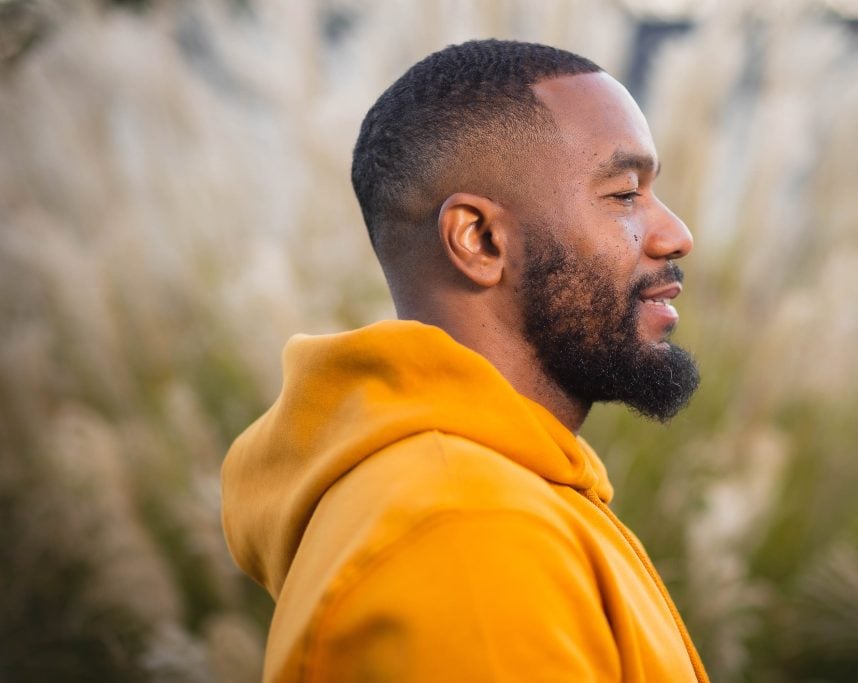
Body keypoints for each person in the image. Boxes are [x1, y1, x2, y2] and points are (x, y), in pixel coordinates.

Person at [221, 39, 709, 682]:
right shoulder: (468, 530)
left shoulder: (494, 493)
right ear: (478, 239)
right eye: (624, 194)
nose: (677, 235)